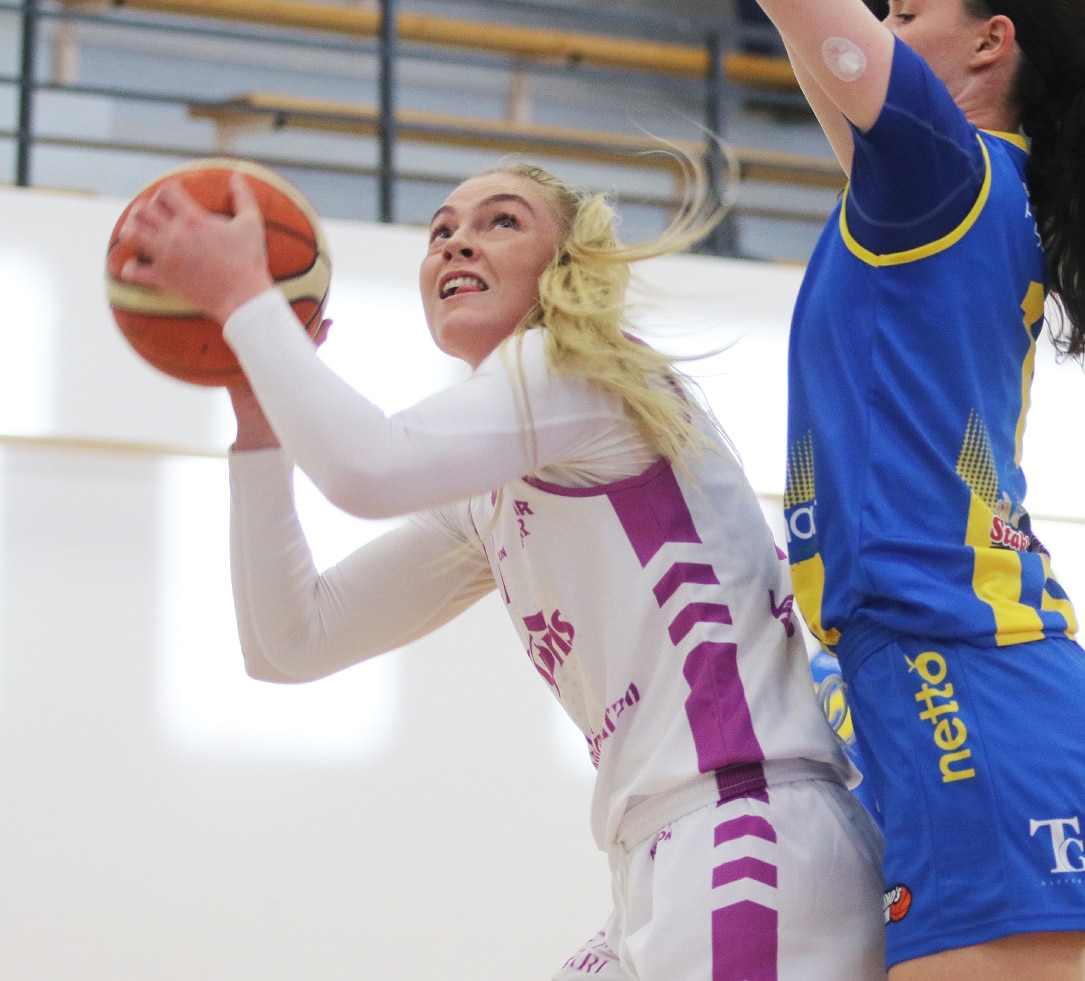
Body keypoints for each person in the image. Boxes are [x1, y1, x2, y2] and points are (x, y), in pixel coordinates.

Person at [115, 159, 887, 980]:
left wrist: (245, 299)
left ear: (566, 262)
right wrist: (258, 421)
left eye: (502, 221)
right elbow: (291, 640)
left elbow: (367, 468)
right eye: (441, 231)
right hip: (661, 854)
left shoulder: (580, 371)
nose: (456, 244)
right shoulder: (493, 493)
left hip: (748, 833)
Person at [754, 0, 1085, 978]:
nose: (881, 24)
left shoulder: (940, 172)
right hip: (1001, 688)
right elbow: (808, 37)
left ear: (990, 40)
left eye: (904, 11)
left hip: (960, 681)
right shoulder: (938, 184)